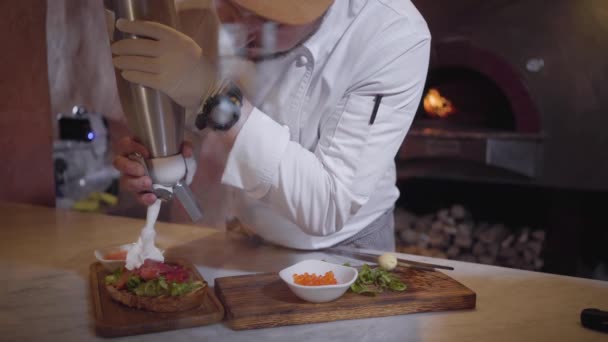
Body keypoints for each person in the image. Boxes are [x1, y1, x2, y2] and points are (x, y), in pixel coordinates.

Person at [111, 0, 431, 251]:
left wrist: (215, 96)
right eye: (234, 7)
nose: (244, 32)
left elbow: (328, 205)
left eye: (272, 22)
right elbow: (199, 123)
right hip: (246, 233)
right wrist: (171, 158)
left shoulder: (392, 36)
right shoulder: (206, 12)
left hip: (347, 246)